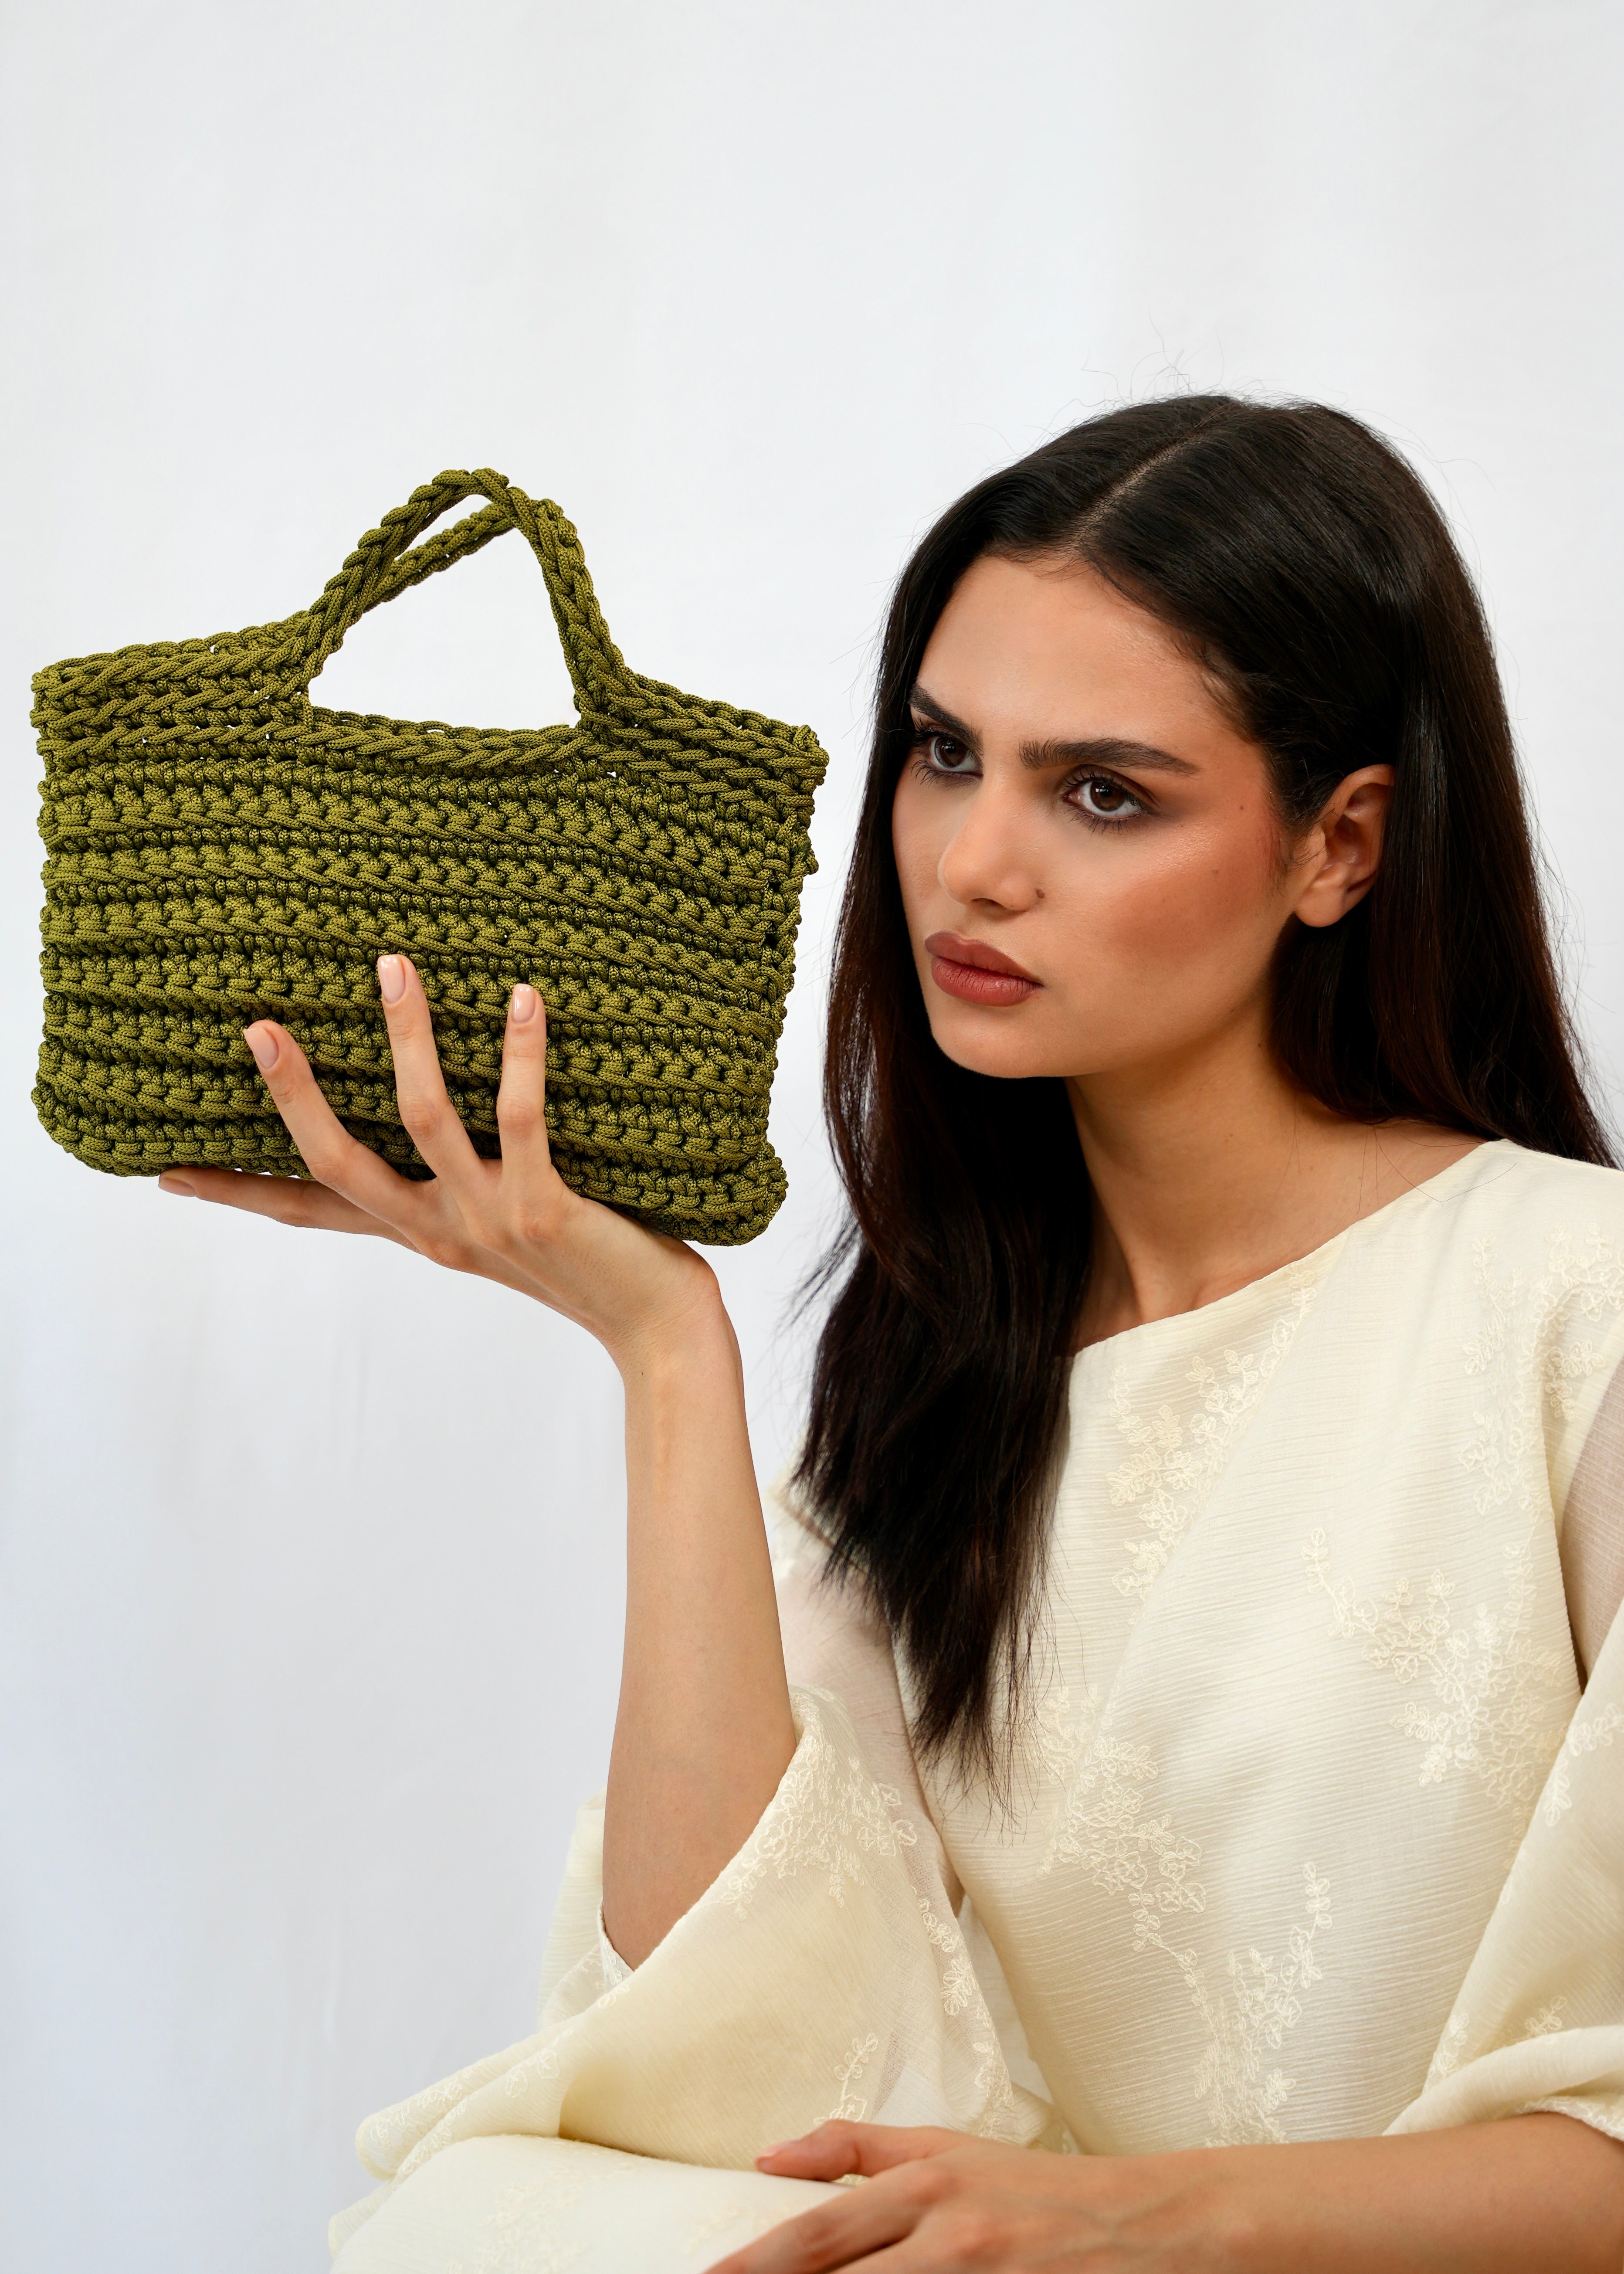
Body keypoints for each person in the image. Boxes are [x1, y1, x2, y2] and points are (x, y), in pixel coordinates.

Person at [163, 396, 1624, 2271]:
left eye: (1101, 793)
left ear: (1338, 845)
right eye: (944, 754)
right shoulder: (942, 1377)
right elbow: (724, 2058)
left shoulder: (1568, 1306)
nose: (971, 862)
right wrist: (665, 1348)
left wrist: (1137, 2224)